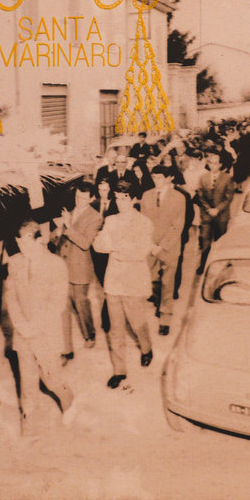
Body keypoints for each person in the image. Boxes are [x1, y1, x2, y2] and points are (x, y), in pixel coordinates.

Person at [4, 217, 77, 432]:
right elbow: (11, 297)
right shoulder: (14, 262)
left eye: (26, 243)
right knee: (27, 379)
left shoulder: (55, 264)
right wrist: (20, 324)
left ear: (39, 240)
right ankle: (29, 419)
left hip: (45, 330)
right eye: (19, 244)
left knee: (50, 378)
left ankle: (68, 400)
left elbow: (58, 302)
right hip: (23, 331)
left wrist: (36, 327)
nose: (22, 248)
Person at [93, 181, 154, 390]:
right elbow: (98, 245)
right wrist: (120, 246)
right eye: (117, 198)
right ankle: (119, 370)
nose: (120, 203)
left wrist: (116, 246)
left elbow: (141, 252)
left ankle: (146, 348)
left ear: (134, 199)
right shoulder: (110, 220)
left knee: (137, 323)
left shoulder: (144, 222)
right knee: (115, 329)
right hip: (113, 282)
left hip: (133, 282)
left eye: (124, 198)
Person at [52, 181, 103, 350]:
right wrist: (58, 230)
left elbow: (85, 243)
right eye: (77, 197)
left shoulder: (95, 217)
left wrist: (68, 225)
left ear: (91, 199)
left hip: (80, 267)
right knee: (63, 305)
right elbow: (57, 239)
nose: (78, 201)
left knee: (80, 303)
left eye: (83, 198)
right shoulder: (70, 212)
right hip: (63, 265)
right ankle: (67, 347)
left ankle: (89, 334)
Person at [141, 164, 188, 335]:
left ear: (168, 178)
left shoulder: (179, 197)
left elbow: (177, 226)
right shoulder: (146, 195)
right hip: (150, 246)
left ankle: (165, 318)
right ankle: (158, 302)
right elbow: (143, 222)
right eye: (154, 177)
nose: (156, 181)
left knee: (168, 283)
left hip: (169, 247)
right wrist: (150, 244)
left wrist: (161, 245)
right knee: (151, 279)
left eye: (160, 178)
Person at [195, 147, 236, 273]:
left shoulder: (227, 178)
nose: (213, 166)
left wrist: (217, 210)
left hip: (221, 216)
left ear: (220, 165)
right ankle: (203, 265)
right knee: (205, 241)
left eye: (215, 163)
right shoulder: (203, 178)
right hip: (206, 216)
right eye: (210, 163)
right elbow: (200, 196)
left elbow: (228, 198)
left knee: (220, 242)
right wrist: (209, 210)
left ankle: (219, 265)